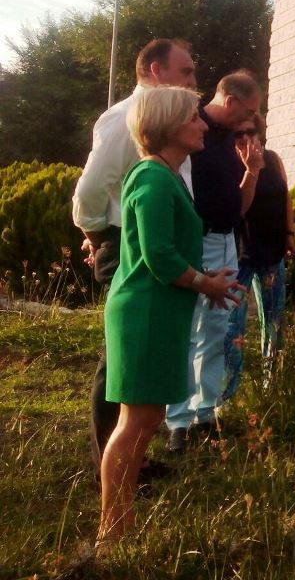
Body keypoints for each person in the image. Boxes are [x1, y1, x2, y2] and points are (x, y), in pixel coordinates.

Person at [97, 87, 243, 551]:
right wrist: (206, 284)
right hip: (143, 313)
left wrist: (204, 277)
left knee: (148, 418)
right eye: (194, 119)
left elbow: (166, 252)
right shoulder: (152, 179)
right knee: (133, 423)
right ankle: (111, 530)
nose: (203, 125)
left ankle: (124, 521)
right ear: (168, 125)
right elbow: (158, 257)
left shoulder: (168, 175)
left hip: (160, 311)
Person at [73, 38, 198, 485]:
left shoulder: (172, 123)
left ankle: (133, 460)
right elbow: (90, 191)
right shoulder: (125, 117)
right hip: (128, 243)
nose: (193, 83)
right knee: (122, 363)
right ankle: (114, 464)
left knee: (139, 362)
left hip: (151, 242)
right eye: (185, 73)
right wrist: (98, 236)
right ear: (154, 69)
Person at [165, 71, 263, 453]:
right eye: (249, 111)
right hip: (196, 239)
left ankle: (205, 412)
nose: (249, 123)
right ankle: (177, 421)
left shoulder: (225, 140)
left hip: (226, 239)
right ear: (232, 101)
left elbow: (239, 209)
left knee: (218, 327)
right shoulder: (190, 128)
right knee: (188, 327)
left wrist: (251, 171)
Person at [222, 114, 295, 402]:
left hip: (272, 251)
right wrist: (248, 169)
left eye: (249, 131)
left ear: (259, 132)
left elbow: (285, 196)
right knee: (233, 328)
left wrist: (289, 232)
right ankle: (226, 396)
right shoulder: (229, 163)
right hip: (241, 255)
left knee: (274, 322)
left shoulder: (274, 159)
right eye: (237, 134)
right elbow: (238, 207)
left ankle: (271, 387)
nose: (244, 138)